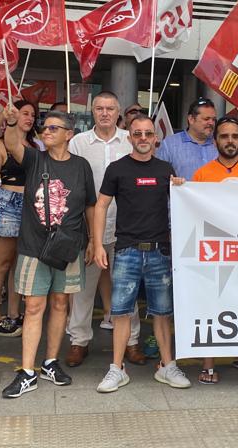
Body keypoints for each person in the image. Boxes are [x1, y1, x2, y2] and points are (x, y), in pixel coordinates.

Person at [0, 107, 96, 399]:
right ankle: (28, 371)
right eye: (45, 127)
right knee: (33, 307)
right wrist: (14, 121)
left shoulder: (81, 166)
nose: (46, 131)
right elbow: (13, 143)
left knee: (59, 305)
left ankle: (50, 362)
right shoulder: (34, 158)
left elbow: (90, 205)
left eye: (54, 128)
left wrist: (93, 241)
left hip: (68, 248)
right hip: (34, 247)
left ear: (69, 135)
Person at [92, 116, 190, 393]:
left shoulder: (165, 169)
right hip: (126, 251)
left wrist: (182, 188)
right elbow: (101, 206)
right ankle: (117, 368)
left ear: (155, 138)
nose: (143, 138)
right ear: (129, 138)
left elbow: (183, 203)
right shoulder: (117, 169)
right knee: (120, 312)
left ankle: (167, 366)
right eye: (138, 134)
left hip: (160, 251)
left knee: (162, 312)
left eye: (148, 133)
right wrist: (98, 244)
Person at [65, 92, 146, 368]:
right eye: (99, 108)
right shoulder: (78, 142)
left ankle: (132, 341)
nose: (104, 113)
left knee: (127, 288)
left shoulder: (131, 139)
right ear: (92, 111)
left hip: (126, 228)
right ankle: (79, 341)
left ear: (118, 112)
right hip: (90, 229)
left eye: (110, 108)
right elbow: (73, 186)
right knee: (83, 289)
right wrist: (89, 236)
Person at [192, 116, 238, 384]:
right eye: (224, 136)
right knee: (213, 306)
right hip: (216, 250)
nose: (230, 141)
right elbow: (193, 211)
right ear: (216, 142)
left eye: (235, 136)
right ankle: (208, 363)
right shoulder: (202, 174)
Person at [0, 100, 38, 337]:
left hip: (30, 206)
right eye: (24, 113)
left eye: (33, 115)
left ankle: (14, 314)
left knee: (19, 266)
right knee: (1, 264)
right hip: (7, 203)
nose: (29, 118)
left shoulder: (35, 145)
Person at [155, 97, 217, 179]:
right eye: (206, 119)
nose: (211, 123)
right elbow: (159, 176)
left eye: (213, 119)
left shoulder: (219, 144)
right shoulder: (169, 145)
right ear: (191, 119)